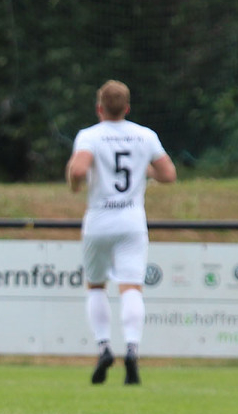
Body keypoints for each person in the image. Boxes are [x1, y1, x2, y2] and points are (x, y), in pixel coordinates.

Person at [67, 80, 176, 385]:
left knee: (96, 285)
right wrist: (145, 170)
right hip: (131, 221)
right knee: (131, 288)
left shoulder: (90, 136)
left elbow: (79, 170)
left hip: (100, 220)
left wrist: (74, 184)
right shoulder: (145, 135)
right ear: (127, 108)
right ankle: (132, 348)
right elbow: (168, 174)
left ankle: (103, 347)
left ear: (99, 108)